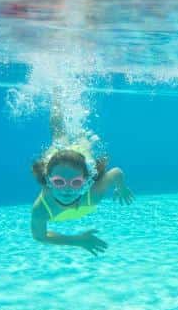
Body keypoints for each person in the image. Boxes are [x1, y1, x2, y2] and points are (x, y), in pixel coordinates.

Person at [30, 101, 133, 255]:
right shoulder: (41, 209)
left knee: (77, 139)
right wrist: (77, 240)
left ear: (87, 182)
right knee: (60, 136)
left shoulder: (93, 193)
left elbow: (116, 173)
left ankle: (72, 117)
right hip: (59, 160)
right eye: (59, 182)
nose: (67, 188)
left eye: (76, 182)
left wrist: (121, 188)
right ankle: (57, 97)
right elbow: (39, 236)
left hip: (80, 156)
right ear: (48, 181)